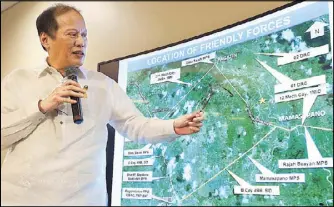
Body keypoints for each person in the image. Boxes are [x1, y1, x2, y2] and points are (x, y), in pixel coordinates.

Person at [0, 3, 205, 206]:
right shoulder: (18, 81)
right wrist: (42, 106)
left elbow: (135, 125)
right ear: (45, 39)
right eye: (72, 34)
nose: (81, 42)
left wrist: (172, 127)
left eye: (84, 35)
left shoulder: (103, 85)